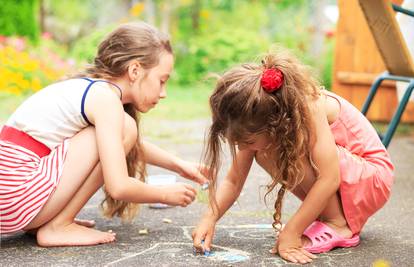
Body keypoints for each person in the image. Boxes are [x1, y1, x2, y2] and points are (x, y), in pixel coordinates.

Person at [0, 22, 208, 247]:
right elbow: (118, 186)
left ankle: (52, 222)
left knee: (123, 128)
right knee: (126, 126)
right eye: (162, 81)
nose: (163, 93)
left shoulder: (91, 90)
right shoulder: (105, 100)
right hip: (15, 193)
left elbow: (117, 145)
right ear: (135, 70)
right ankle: (58, 226)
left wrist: (179, 165)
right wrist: (164, 194)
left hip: (10, 197)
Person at [191, 51, 394, 264]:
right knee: (267, 150)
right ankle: (329, 215)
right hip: (349, 176)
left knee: (278, 149)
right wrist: (210, 218)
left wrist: (292, 232)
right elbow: (234, 180)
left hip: (373, 177)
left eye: (248, 142)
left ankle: (336, 223)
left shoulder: (310, 105)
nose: (243, 148)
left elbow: (329, 178)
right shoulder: (261, 118)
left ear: (272, 122)